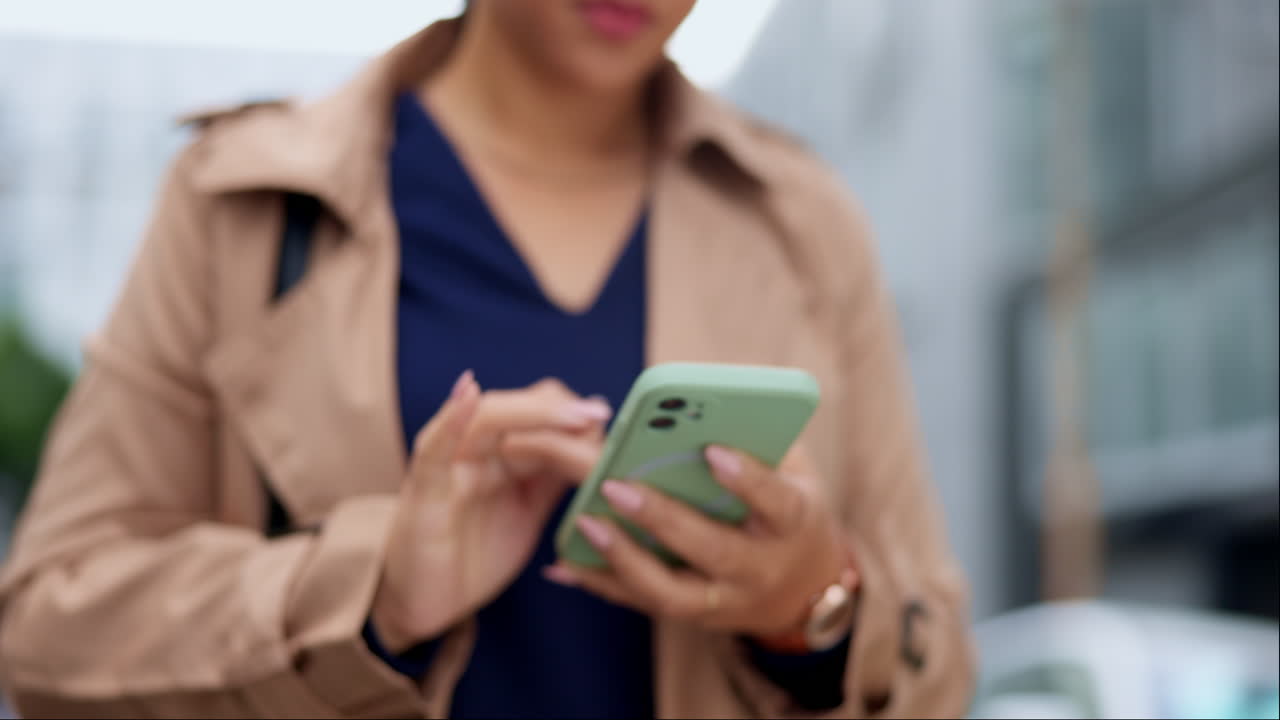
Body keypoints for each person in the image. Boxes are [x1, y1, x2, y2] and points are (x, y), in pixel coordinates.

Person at [0, 1, 974, 717]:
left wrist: (814, 608)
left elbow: (943, 665)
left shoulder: (804, 224)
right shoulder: (244, 202)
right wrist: (366, 597)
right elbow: (44, 629)